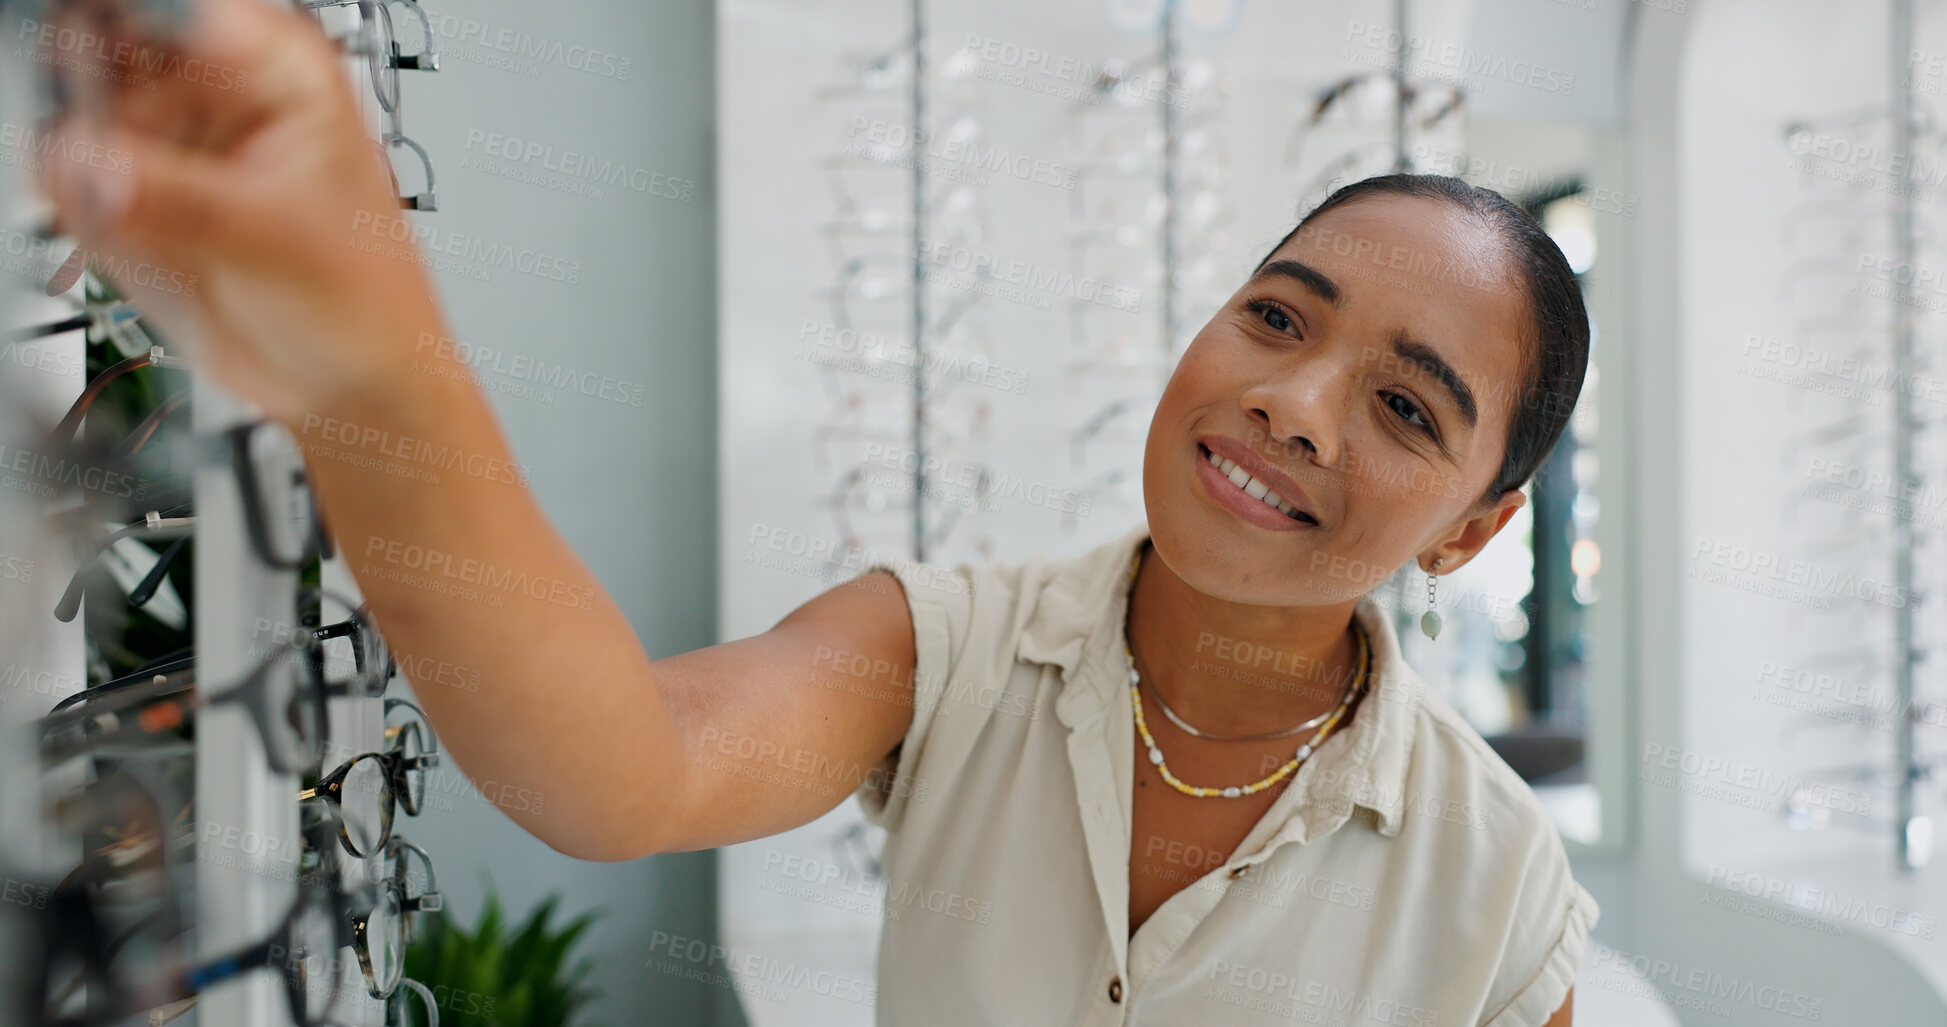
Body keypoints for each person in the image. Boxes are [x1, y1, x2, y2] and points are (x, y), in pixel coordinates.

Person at [34, 0, 1596, 1023]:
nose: (1293, 402)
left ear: (1470, 529)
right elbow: (618, 770)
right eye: (1275, 318)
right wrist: (360, 344)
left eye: (1403, 409)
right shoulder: (948, 651)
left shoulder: (1498, 881)